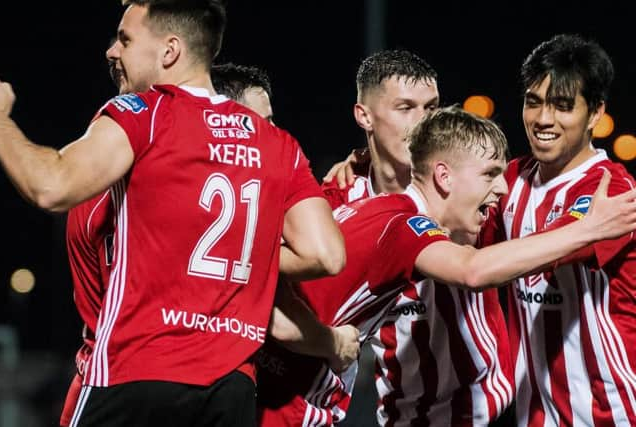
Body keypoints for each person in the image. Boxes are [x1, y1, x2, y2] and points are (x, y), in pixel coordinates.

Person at [0, 1, 347, 426]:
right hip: (231, 389)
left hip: (135, 372)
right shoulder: (277, 143)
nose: (112, 51)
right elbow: (326, 254)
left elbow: (50, 186)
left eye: (125, 40)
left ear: (169, 51)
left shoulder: (143, 114)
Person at [255, 105, 636, 427]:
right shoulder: (403, 224)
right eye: (489, 174)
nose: (501, 188)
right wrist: (588, 229)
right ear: (443, 176)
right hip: (284, 402)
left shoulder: (375, 211)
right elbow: (473, 271)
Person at [58, 56, 358, 426]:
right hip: (194, 383)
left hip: (105, 376)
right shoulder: (199, 202)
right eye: (262, 121)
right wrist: (334, 343)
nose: (270, 132)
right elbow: (305, 283)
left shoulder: (95, 189)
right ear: (223, 117)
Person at [323, 49, 513, 426]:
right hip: (402, 414)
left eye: (431, 107)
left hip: (486, 410)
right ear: (364, 116)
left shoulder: (466, 183)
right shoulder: (337, 202)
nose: (422, 121)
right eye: (405, 107)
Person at [486, 33, 636, 426]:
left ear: (596, 113)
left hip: (607, 411)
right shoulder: (511, 178)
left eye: (563, 106)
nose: (543, 119)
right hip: (529, 413)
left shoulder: (612, 189)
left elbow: (553, 252)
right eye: (533, 103)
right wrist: (366, 164)